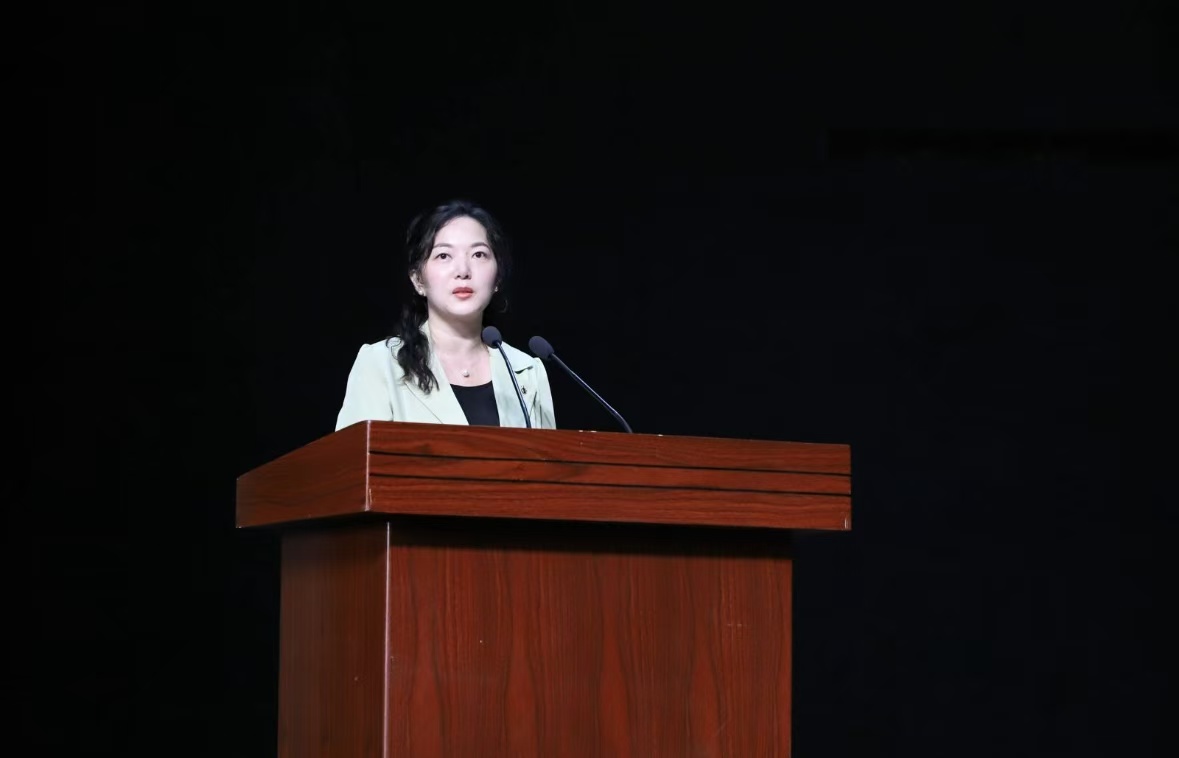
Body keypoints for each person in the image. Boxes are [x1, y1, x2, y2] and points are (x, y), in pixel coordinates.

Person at [334, 199, 557, 431]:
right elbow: (352, 453)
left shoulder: (527, 371)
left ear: (497, 277)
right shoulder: (382, 364)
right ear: (418, 280)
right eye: (443, 256)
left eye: (478, 254)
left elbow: (549, 455)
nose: (463, 271)